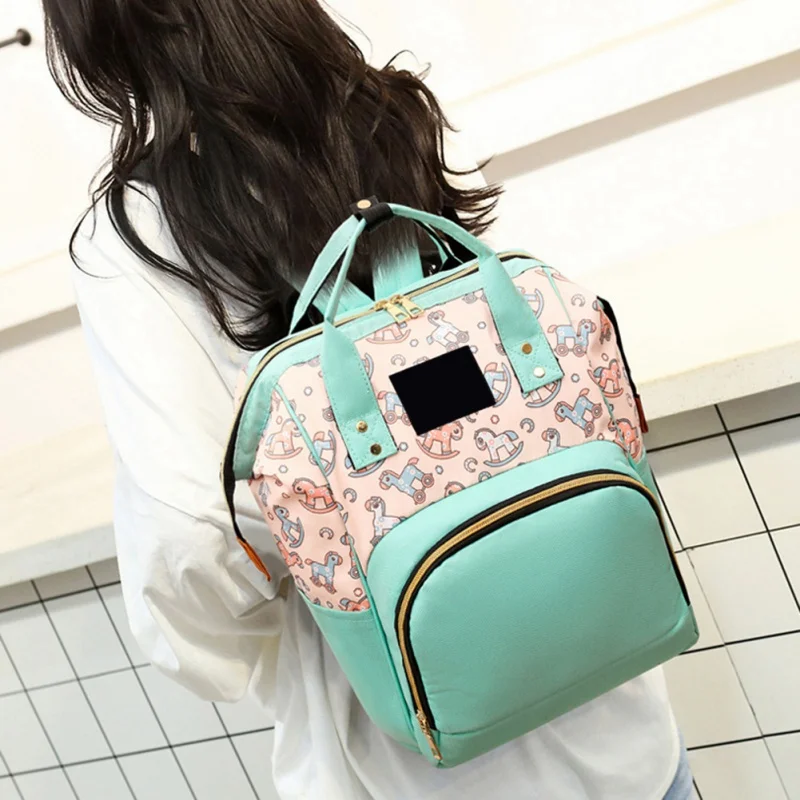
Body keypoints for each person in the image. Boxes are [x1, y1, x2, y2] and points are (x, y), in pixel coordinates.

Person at [43, 1, 693, 797]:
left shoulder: (137, 228)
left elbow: (188, 541)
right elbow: (470, 389)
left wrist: (277, 592)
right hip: (624, 735)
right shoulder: (391, 113)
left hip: (410, 771)